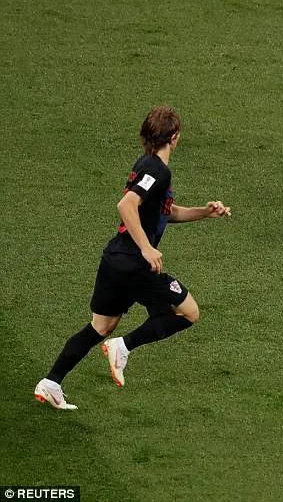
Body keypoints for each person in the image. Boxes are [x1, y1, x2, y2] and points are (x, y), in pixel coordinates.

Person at [34, 106, 231, 410]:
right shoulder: (158, 170)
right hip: (135, 264)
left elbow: (166, 212)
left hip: (115, 259)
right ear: (174, 137)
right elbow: (126, 205)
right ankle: (123, 347)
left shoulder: (147, 164)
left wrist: (204, 212)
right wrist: (146, 248)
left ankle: (51, 382)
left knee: (100, 326)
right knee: (188, 312)